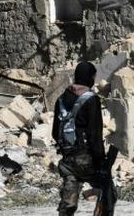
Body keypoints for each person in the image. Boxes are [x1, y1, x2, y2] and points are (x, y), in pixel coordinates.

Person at [52, 61, 105, 216]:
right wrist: (100, 161)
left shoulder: (61, 99)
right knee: (106, 189)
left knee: (68, 202)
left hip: (68, 159)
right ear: (89, 77)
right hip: (86, 159)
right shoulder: (91, 99)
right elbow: (95, 134)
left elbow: (55, 132)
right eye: (93, 77)